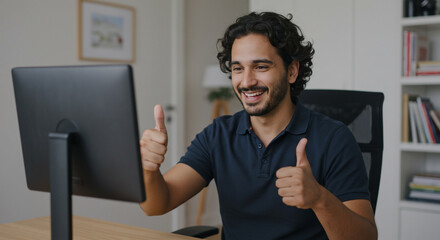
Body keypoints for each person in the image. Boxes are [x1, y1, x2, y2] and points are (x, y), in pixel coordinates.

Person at [139, 12, 377, 240]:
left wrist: (320, 199)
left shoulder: (334, 139)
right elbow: (158, 204)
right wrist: (149, 170)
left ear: (292, 71)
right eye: (237, 68)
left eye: (261, 67)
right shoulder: (218, 135)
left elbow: (366, 237)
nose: (247, 81)